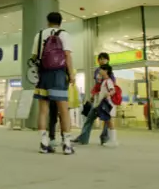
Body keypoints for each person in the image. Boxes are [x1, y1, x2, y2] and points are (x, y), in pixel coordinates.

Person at [32, 11, 75, 155]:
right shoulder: (64, 34)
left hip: (43, 75)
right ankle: (67, 145)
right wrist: (71, 74)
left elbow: (34, 57)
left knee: (43, 110)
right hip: (59, 75)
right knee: (63, 110)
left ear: (47, 21)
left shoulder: (39, 35)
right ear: (60, 22)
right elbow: (67, 56)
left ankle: (44, 144)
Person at [74, 52, 116, 145]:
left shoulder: (110, 73)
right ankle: (83, 138)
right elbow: (97, 85)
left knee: (106, 120)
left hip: (105, 100)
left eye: (104, 59)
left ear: (108, 60)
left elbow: (113, 87)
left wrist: (109, 96)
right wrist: (93, 95)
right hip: (98, 99)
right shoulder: (97, 71)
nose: (102, 60)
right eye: (100, 59)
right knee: (90, 117)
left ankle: (105, 138)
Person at [95, 64, 117, 147]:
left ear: (106, 71)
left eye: (101, 69)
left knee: (110, 122)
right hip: (105, 103)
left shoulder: (108, 81)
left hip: (108, 104)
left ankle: (113, 140)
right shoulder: (104, 81)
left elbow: (113, 90)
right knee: (108, 121)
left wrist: (108, 94)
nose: (99, 71)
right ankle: (111, 139)